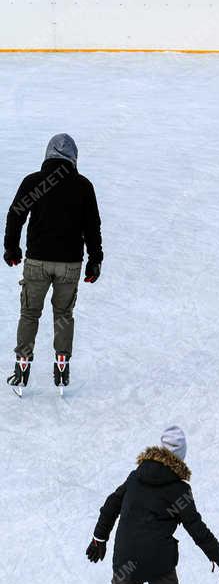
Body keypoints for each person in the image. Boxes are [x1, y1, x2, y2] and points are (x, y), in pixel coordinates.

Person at [4, 134, 102, 396]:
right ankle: (61, 362)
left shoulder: (34, 181)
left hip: (37, 261)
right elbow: (92, 227)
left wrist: (11, 248)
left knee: (29, 313)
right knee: (63, 314)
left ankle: (23, 362)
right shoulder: (83, 186)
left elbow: (17, 213)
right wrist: (95, 260)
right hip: (70, 265)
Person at [86, 426, 219, 584]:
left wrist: (98, 538)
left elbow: (111, 505)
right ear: (181, 456)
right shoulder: (180, 491)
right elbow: (196, 527)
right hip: (157, 562)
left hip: (126, 559)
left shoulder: (135, 477)